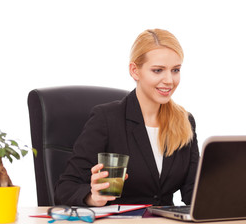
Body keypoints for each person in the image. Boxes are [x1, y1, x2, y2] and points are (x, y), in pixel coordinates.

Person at [54, 29, 199, 207]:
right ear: (135, 71)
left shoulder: (185, 121)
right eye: (158, 70)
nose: (169, 80)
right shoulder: (106, 119)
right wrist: (93, 197)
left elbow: (193, 191)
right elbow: (65, 188)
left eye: (175, 70)